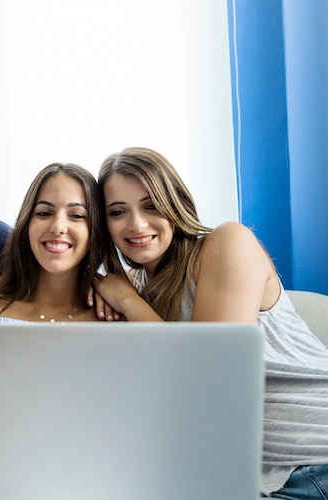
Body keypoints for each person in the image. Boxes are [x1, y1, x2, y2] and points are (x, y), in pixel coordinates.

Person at [92, 146, 328, 498]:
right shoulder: (135, 287)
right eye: (118, 211)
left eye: (151, 205)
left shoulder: (225, 244)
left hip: (315, 462)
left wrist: (127, 300)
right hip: (253, 480)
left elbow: (210, 380)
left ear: (175, 203)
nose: (136, 224)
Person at [0, 163, 105, 323]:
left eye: (76, 215)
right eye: (44, 213)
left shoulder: (112, 317)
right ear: (27, 225)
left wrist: (125, 299)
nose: (58, 227)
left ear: (95, 230)